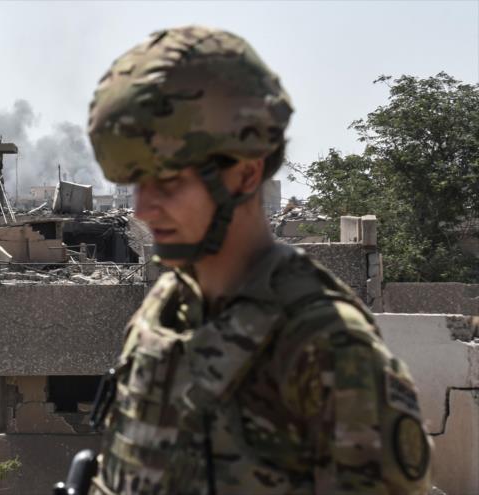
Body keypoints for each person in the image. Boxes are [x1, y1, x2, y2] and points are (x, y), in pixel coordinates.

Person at [84, 25, 432, 494]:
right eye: (135, 185)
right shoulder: (165, 309)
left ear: (246, 174)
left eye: (166, 183)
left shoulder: (328, 349)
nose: (143, 210)